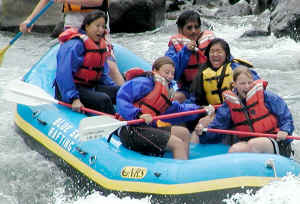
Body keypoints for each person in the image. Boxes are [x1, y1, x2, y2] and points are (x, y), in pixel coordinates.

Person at [116, 56, 213, 160]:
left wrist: (201, 110)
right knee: (178, 144)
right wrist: (138, 114)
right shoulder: (143, 82)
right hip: (131, 129)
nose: (170, 76)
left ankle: (184, 162)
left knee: (184, 133)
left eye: (172, 73)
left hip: (148, 128)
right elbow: (122, 98)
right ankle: (182, 172)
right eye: (167, 72)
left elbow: (178, 110)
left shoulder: (165, 92)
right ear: (155, 71)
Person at [193, 66, 294, 157]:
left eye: (249, 83)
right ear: (234, 84)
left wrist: (285, 130)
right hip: (249, 143)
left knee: (254, 144)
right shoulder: (229, 105)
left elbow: (286, 116)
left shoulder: (267, 97)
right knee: (235, 149)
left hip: (275, 141)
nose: (247, 87)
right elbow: (217, 127)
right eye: (242, 83)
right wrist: (203, 133)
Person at [19, 0, 125, 86]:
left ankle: (127, 100)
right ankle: (74, 96)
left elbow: (96, 2)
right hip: (74, 20)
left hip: (97, 20)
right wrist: (30, 19)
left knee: (110, 65)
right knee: (71, 60)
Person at [54, 11, 119, 115]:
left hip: (90, 86)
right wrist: (74, 98)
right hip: (73, 89)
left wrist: (114, 88)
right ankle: (118, 128)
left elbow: (103, 75)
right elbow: (63, 74)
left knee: (120, 92)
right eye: (97, 26)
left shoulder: (99, 46)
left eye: (103, 27)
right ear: (87, 26)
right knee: (103, 99)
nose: (100, 30)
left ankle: (134, 119)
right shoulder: (74, 45)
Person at [191, 38, 260, 107]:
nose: (215, 54)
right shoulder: (202, 72)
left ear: (226, 54)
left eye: (219, 52)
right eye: (212, 51)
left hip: (237, 108)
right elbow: (194, 99)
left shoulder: (236, 67)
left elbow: (256, 84)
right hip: (212, 111)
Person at [165, 10, 215, 103]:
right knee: (174, 100)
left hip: (211, 85)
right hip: (188, 89)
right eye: (189, 28)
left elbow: (228, 62)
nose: (194, 31)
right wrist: (185, 51)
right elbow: (172, 74)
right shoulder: (174, 48)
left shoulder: (211, 42)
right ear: (180, 30)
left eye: (196, 27)